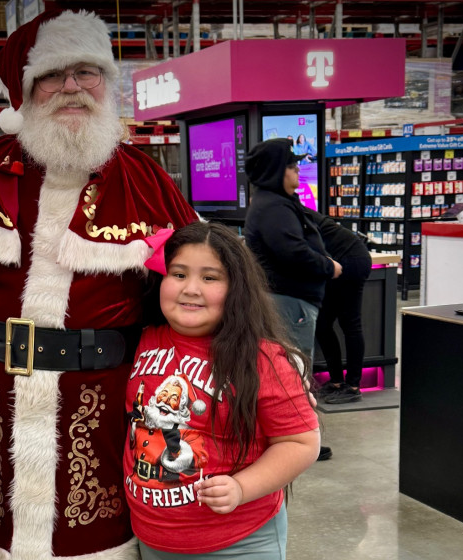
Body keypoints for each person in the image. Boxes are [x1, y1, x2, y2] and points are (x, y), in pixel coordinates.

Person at [0, 7, 197, 560]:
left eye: (86, 72)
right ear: (25, 91)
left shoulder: (147, 182)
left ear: (106, 83)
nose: (72, 87)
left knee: (98, 543)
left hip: (107, 407)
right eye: (52, 75)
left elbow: (192, 305)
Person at [124, 221, 320, 559]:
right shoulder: (142, 340)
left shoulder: (263, 359)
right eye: (179, 274)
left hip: (239, 543)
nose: (191, 289)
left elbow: (301, 443)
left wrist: (242, 487)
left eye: (210, 278)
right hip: (153, 539)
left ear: (236, 290)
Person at [244, 138, 342, 360]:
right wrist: (329, 266)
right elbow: (294, 253)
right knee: (295, 366)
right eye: (291, 165)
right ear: (276, 171)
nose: (297, 169)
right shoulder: (274, 207)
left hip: (289, 302)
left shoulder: (274, 202)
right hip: (289, 304)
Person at [305, 210, 372, 404]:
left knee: (350, 323)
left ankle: (352, 386)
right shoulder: (292, 212)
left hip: (351, 260)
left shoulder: (292, 215)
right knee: (323, 323)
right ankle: (336, 381)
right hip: (343, 259)